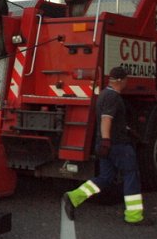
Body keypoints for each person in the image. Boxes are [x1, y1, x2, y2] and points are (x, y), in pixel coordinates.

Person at [62, 66, 151, 225]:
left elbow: (112, 120)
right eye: (125, 80)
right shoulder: (113, 97)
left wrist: (123, 131)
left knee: (105, 178)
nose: (126, 82)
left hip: (105, 145)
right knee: (131, 175)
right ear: (120, 80)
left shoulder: (103, 94)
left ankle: (73, 197)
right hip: (117, 145)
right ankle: (134, 216)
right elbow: (106, 119)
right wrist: (107, 140)